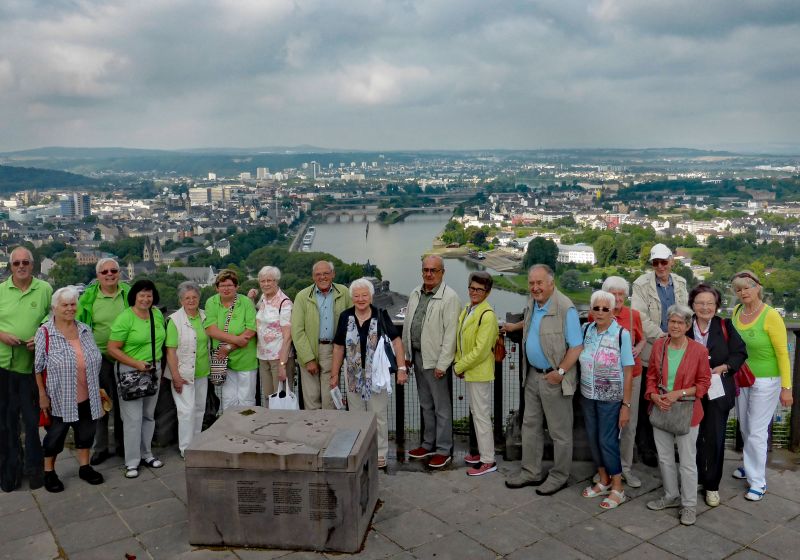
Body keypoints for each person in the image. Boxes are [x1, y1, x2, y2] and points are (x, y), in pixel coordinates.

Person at [504, 264, 583, 495]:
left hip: (553, 378)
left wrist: (559, 373)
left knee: (560, 432)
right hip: (532, 375)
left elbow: (577, 346)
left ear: (551, 283)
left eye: (539, 283)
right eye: (531, 283)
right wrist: (513, 326)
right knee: (530, 426)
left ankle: (559, 476)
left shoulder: (565, 308)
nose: (535, 287)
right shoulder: (533, 303)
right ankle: (531, 472)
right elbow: (531, 324)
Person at [330, 278, 408, 469]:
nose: (361, 299)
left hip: (378, 375)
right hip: (353, 375)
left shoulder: (380, 315)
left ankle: (380, 453)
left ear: (371, 296)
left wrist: (401, 369)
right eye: (356, 296)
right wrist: (334, 375)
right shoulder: (345, 316)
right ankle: (359, 450)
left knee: (378, 415)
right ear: (352, 298)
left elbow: (397, 341)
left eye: (364, 295)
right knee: (356, 415)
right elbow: (339, 347)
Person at [645, 304, 711, 526]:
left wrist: (678, 394)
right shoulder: (659, 346)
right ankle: (671, 495)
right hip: (661, 407)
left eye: (680, 322)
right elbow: (652, 375)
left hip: (687, 411)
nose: (675, 326)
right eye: (672, 321)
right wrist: (653, 395)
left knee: (687, 461)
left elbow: (703, 384)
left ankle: (689, 505)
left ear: (688, 326)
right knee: (664, 458)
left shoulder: (699, 351)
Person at [34, 286, 105, 492]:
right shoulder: (45, 333)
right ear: (55, 308)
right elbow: (38, 368)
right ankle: (49, 472)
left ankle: (85, 467)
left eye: (73, 304)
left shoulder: (84, 329)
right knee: (55, 437)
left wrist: (98, 388)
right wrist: (42, 395)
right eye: (65, 305)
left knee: (86, 434)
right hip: (59, 398)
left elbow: (93, 359)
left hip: (88, 394)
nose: (70, 308)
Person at [730, 271, 793, 501]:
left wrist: (787, 387)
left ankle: (758, 482)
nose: (743, 292)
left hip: (767, 380)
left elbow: (783, 353)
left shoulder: (771, 316)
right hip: (743, 377)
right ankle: (749, 464)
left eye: (747, 287)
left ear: (758, 288)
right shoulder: (737, 312)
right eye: (738, 289)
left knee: (756, 431)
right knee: (746, 427)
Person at [688, 283, 747, 507]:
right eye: (700, 303)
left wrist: (724, 367)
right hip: (691, 391)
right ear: (692, 305)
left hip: (717, 390)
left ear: (716, 305)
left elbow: (740, 353)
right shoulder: (685, 326)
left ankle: (712, 485)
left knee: (714, 438)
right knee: (690, 438)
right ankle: (693, 479)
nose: (705, 307)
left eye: (710, 303)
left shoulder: (725, 325)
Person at [0, 246, 53, 491]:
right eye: (16, 263)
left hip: (32, 368)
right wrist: (1, 335)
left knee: (32, 423)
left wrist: (40, 336)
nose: (21, 266)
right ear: (10, 267)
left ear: (32, 265)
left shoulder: (44, 289)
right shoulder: (0, 291)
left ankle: (35, 471)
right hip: (4, 366)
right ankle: (10, 472)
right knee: (6, 423)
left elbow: (51, 318)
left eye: (25, 262)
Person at [631, 243, 688, 467]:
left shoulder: (681, 283)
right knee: (649, 399)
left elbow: (686, 314)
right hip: (651, 351)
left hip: (675, 352)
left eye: (664, 262)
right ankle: (646, 447)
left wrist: (676, 336)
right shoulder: (641, 284)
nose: (660, 266)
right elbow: (639, 317)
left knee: (670, 398)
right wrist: (664, 336)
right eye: (656, 263)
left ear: (672, 261)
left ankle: (664, 445)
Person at [402, 255, 461, 468]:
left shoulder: (450, 297)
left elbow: (451, 335)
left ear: (442, 272)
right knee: (426, 404)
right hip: (418, 357)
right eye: (425, 270)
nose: (429, 274)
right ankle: (428, 444)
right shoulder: (415, 293)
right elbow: (409, 323)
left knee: (441, 408)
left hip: (436, 361)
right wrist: (407, 356)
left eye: (433, 270)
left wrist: (442, 365)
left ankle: (444, 450)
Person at [580, 290, 635, 508]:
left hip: (611, 398)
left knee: (607, 440)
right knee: (593, 438)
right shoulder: (586, 330)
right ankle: (603, 479)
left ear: (613, 311)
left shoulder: (621, 334)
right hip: (587, 394)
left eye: (605, 309)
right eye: (596, 308)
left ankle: (618, 487)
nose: (600, 312)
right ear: (591, 310)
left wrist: (626, 405)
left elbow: (629, 371)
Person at [107, 279, 167, 479]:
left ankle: (146, 454)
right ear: (134, 296)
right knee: (132, 419)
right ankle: (132, 462)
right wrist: (136, 364)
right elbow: (112, 348)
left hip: (153, 369)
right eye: (141, 295)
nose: (145, 299)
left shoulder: (156, 314)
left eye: (149, 295)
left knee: (149, 415)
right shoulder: (125, 318)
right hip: (130, 371)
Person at [591, 276, 646, 489]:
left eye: (621, 294)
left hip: (632, 376)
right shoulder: (596, 313)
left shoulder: (633, 316)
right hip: (605, 378)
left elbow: (641, 338)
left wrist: (638, 349)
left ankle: (625, 469)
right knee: (605, 426)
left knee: (628, 424)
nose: (617, 298)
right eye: (613, 294)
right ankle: (607, 469)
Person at [77, 257, 130, 466]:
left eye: (113, 271)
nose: (109, 275)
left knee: (123, 403)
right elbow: (75, 320)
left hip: (125, 354)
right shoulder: (89, 297)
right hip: (99, 356)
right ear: (98, 276)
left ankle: (122, 445)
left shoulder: (128, 292)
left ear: (119, 273)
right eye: (104, 272)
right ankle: (100, 448)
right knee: (100, 402)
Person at [453, 271, 499, 476]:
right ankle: (483, 454)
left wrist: (459, 366)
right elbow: (462, 340)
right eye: (472, 288)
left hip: (479, 372)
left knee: (481, 416)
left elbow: (481, 351)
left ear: (487, 292)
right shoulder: (469, 309)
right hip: (472, 371)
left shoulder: (487, 315)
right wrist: (460, 363)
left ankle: (488, 460)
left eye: (480, 289)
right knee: (477, 414)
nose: (474, 292)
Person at [292, 261, 352, 410]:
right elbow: (297, 331)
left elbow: (353, 321)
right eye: (318, 274)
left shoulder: (344, 292)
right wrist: (308, 358)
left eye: (326, 273)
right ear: (313, 277)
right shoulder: (302, 296)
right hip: (309, 349)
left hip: (334, 351)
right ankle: (313, 432)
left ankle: (329, 431)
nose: (322, 277)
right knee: (311, 399)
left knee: (330, 397)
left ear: (333, 274)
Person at [165, 282, 210, 459]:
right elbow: (170, 351)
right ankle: (186, 448)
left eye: (194, 297)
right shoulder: (175, 320)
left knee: (199, 408)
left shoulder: (205, 316)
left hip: (202, 371)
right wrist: (175, 376)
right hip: (183, 373)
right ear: (181, 300)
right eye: (187, 298)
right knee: (186, 411)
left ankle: (197, 444)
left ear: (199, 298)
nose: (191, 301)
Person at [204, 269, 258, 412]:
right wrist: (237, 340)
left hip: (245, 358)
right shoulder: (212, 302)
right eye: (222, 286)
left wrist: (229, 347)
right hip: (223, 359)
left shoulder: (246, 302)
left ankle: (246, 429)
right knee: (228, 398)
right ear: (217, 288)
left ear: (237, 287)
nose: (226, 289)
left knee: (246, 398)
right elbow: (211, 330)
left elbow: (251, 329)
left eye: (229, 285)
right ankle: (230, 429)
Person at [248, 266, 295, 400]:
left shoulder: (284, 303)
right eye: (263, 281)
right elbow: (258, 317)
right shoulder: (263, 298)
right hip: (263, 356)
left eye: (270, 280)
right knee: (268, 397)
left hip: (279, 358)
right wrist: (250, 299)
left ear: (277, 281)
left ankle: (284, 422)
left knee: (281, 397)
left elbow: (288, 337)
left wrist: (282, 365)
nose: (266, 284)